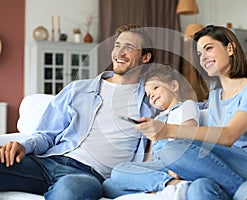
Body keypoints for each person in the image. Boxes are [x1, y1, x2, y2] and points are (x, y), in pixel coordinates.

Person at [0, 24, 156, 200]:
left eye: (129, 47)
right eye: (117, 45)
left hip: (88, 176)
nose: (119, 52)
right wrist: (24, 146)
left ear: (145, 57)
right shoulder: (78, 89)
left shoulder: (151, 101)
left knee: (70, 191)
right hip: (46, 162)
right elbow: (46, 135)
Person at [134, 25, 247, 200]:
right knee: (199, 188)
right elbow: (183, 105)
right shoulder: (214, 97)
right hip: (223, 170)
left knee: (173, 149)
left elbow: (229, 136)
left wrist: (168, 130)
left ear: (230, 48)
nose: (203, 57)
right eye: (199, 54)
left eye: (208, 48)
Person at [102, 64, 201, 198]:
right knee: (108, 185)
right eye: (148, 95)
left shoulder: (186, 106)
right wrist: (140, 172)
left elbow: (189, 135)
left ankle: (173, 184)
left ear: (174, 86)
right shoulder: (156, 119)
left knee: (118, 171)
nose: (152, 95)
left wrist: (177, 165)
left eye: (156, 88)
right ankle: (160, 188)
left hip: (174, 163)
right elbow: (150, 155)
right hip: (158, 165)